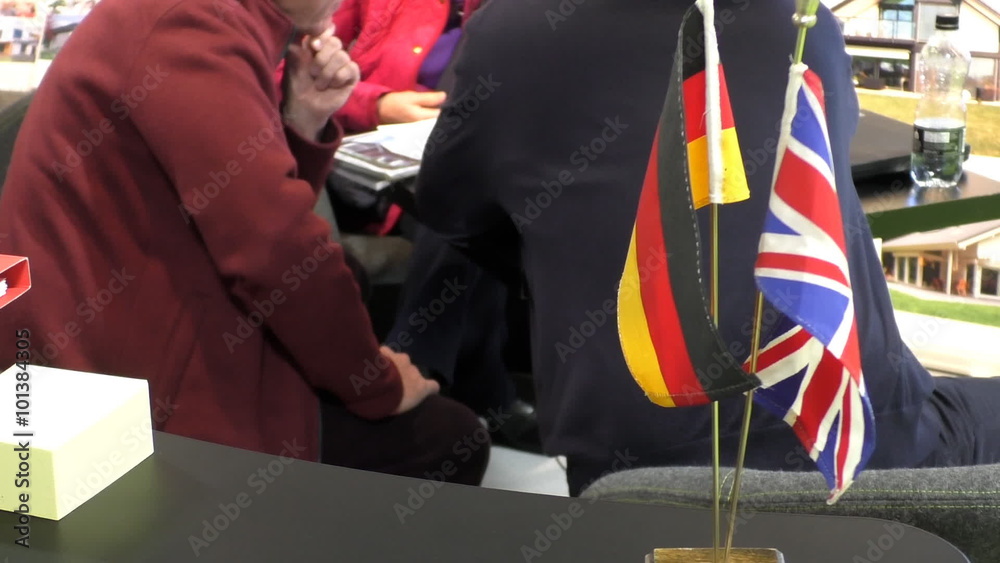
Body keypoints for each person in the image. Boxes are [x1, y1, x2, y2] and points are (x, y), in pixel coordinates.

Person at [414, 0, 1000, 495]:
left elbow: (454, 214)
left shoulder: (504, 35)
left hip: (622, 466)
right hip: (858, 441)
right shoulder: (800, 25)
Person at [0, 0, 487, 484]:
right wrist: (375, 384)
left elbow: (248, 208)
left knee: (350, 282)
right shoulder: (192, 28)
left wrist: (301, 121)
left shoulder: (216, 22)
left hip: (126, 312)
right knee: (453, 439)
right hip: (108, 375)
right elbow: (273, 249)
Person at [325, 0, 540, 448]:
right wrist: (376, 104)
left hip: (466, 164)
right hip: (367, 165)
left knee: (474, 186)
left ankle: (453, 381)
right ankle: (422, 370)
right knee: (467, 203)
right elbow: (289, 69)